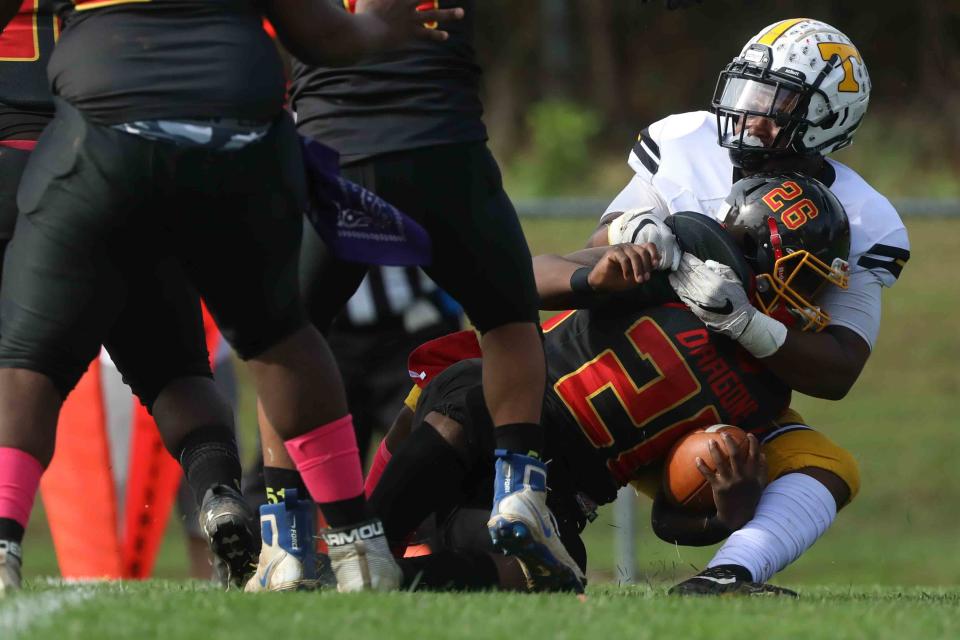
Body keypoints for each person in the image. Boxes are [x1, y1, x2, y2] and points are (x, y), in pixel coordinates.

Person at [0, 0, 465, 595]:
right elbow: (324, 35)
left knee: (30, 356)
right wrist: (381, 27)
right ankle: (356, 541)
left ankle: (6, 541)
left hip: (98, 137)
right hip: (239, 136)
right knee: (278, 338)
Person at [363, 173, 853, 593]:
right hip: (518, 412)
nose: (811, 296)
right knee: (471, 399)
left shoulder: (765, 390)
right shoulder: (670, 266)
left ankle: (389, 581)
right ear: (755, 251)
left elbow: (669, 519)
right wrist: (591, 281)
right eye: (801, 275)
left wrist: (730, 507)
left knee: (559, 572)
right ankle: (366, 545)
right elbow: (519, 280)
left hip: (565, 487)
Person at [592, 18, 909, 594]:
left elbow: (841, 368)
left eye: (778, 100)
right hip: (618, 369)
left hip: (723, 397)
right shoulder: (688, 144)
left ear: (828, 119)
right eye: (749, 91)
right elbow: (594, 254)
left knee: (827, 468)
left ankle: (726, 578)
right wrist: (631, 231)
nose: (752, 113)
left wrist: (747, 324)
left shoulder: (864, 220)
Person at [248, 0, 553, 591]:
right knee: (508, 324)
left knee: (282, 341)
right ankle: (519, 494)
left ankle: (285, 542)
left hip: (335, 154)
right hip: (445, 147)